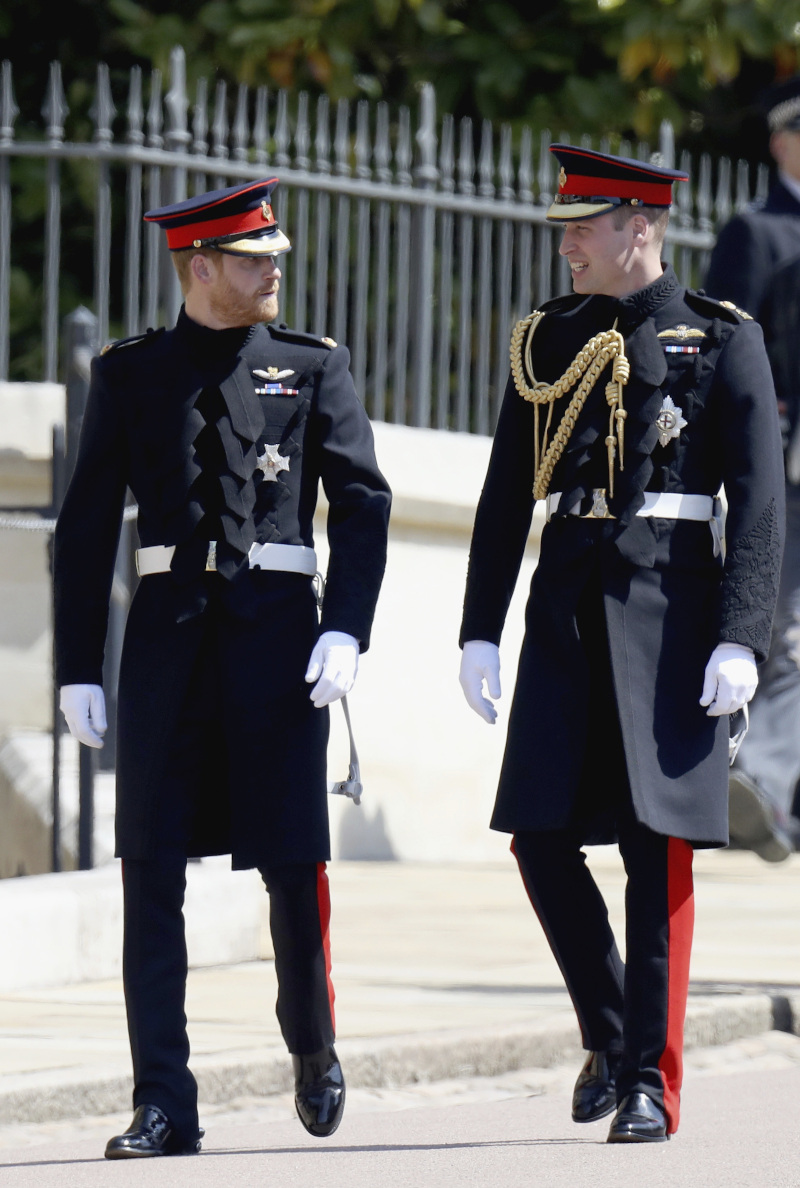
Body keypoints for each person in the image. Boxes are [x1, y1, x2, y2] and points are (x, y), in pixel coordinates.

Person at [53, 177, 391, 1158]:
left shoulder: (310, 366)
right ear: (199, 267)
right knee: (150, 874)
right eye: (253, 258)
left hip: (281, 641)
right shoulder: (130, 374)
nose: (273, 267)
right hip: (167, 644)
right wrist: (80, 664)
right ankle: (163, 1098)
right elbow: (83, 532)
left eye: (273, 254)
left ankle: (312, 1044)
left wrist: (348, 631)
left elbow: (362, 505)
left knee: (291, 864)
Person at [459, 144, 784, 1143]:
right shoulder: (547, 340)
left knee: (658, 850)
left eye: (580, 228)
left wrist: (740, 637)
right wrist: (477, 626)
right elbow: (504, 493)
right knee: (539, 838)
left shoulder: (718, 336)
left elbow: (760, 504)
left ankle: (648, 1078)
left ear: (636, 228)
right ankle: (607, 1029)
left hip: (673, 613)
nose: (564, 247)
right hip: (564, 611)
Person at [705, 74, 800, 860]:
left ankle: (769, 793)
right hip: (787, 463)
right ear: (780, 141)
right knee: (777, 628)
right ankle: (759, 784)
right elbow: (732, 353)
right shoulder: (758, 231)